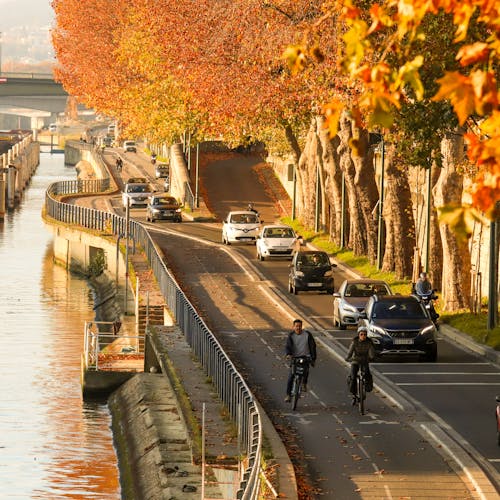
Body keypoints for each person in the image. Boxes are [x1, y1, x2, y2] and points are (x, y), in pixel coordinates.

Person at [285, 319, 317, 402]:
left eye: (299, 326)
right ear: (293, 327)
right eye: (296, 326)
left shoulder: (307, 334)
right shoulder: (291, 335)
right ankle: (288, 395)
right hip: (294, 357)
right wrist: (288, 354)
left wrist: (313, 358)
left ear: (302, 327)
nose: (298, 328)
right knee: (291, 376)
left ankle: (304, 384)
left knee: (306, 370)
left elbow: (313, 346)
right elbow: (288, 346)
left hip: (305, 357)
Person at [345, 326, 375, 404]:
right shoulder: (354, 342)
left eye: (365, 334)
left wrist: (372, 357)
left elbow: (371, 353)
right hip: (355, 361)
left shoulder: (369, 342)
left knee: (367, 374)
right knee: (353, 376)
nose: (363, 336)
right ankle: (354, 394)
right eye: (361, 334)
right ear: (358, 334)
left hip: (364, 361)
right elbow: (350, 352)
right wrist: (347, 358)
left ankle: (366, 388)